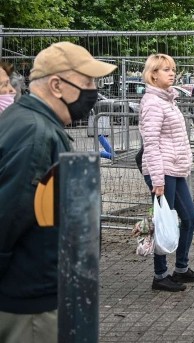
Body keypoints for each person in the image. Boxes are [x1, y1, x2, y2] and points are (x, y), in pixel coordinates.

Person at [0, 42, 116, 342]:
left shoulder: (26, 122)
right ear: (56, 85)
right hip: (30, 304)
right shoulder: (36, 134)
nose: (93, 90)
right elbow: (7, 219)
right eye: (87, 82)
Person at [139, 53, 194, 292]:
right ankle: (160, 275)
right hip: (162, 171)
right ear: (153, 74)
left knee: (190, 218)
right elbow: (151, 143)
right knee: (163, 221)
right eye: (166, 69)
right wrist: (157, 179)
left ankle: (181, 269)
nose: (172, 72)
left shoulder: (168, 100)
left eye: (173, 68)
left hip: (174, 169)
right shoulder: (153, 103)